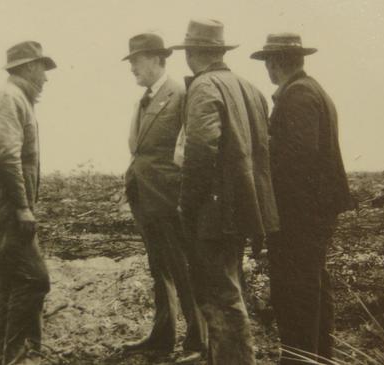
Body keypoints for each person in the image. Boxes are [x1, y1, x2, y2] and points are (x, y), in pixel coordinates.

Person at [170, 19, 279, 365]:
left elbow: (201, 150)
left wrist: (187, 205)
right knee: (230, 290)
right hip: (241, 213)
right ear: (219, 51)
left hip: (213, 216)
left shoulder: (204, 87)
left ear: (191, 53)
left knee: (220, 298)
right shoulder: (250, 88)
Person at [251, 33, 354, 364]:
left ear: (276, 62)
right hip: (313, 211)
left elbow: (297, 159)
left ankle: (300, 358)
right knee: (312, 287)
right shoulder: (310, 91)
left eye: (269, 60)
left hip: (300, 214)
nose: (267, 67)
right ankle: (318, 356)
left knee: (296, 291)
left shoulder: (297, 96)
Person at [120, 32, 207, 363]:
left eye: (137, 61)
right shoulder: (142, 101)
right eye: (131, 62)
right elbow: (139, 150)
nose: (132, 68)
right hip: (146, 200)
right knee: (160, 269)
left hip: (170, 201)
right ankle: (162, 335)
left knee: (183, 269)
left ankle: (200, 340)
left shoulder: (181, 94)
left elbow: (190, 149)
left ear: (158, 59)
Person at [0, 41, 55, 365]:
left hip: (4, 206)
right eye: (41, 69)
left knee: (9, 288)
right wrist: (22, 207)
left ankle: (1, 358)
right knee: (35, 280)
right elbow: (7, 156)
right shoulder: (10, 98)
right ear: (25, 68)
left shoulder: (17, 99)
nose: (45, 78)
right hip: (5, 208)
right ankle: (15, 357)